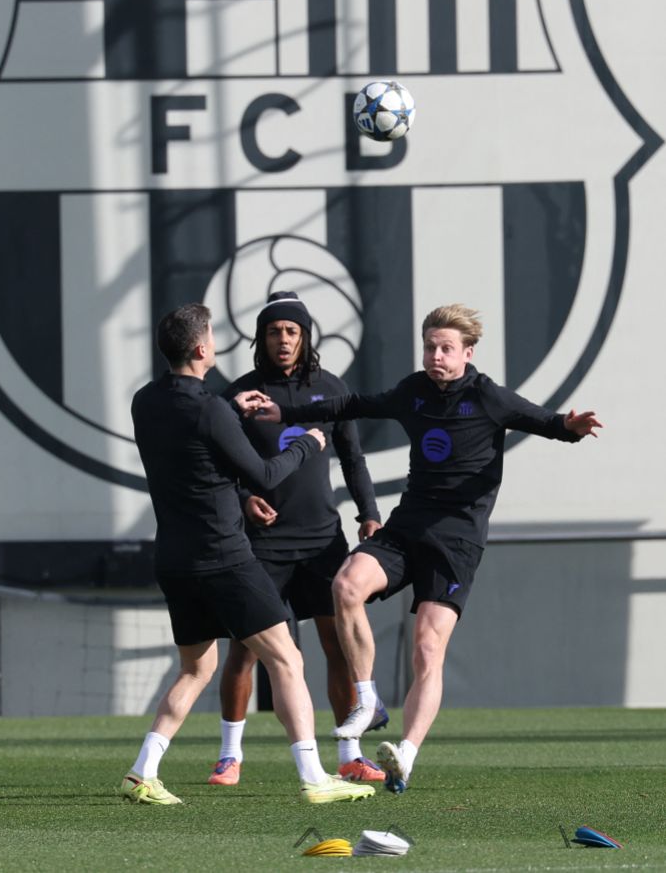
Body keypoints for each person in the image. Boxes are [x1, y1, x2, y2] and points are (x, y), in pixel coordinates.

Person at [236, 303, 602, 794]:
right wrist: (287, 412)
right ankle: (366, 698)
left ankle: (405, 753)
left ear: (467, 352)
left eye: (446, 348)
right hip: (408, 527)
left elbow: (542, 419)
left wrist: (569, 427)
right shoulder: (414, 392)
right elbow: (351, 406)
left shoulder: (487, 395)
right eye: (430, 346)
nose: (435, 355)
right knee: (345, 585)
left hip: (456, 541)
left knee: (428, 649)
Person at [122, 302, 375, 806]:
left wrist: (230, 415)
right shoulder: (214, 406)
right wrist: (305, 443)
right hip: (224, 557)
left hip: (173, 559)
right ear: (200, 348)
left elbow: (194, 436)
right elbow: (261, 476)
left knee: (195, 669)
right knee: (286, 659)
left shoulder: (145, 401)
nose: (216, 343)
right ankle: (313, 777)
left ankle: (142, 770)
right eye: (212, 336)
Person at [208, 291, 385, 789]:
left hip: (321, 540)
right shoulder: (239, 395)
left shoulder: (330, 390)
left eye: (292, 331)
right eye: (274, 331)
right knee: (246, 651)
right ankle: (229, 755)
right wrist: (244, 499)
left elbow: (353, 458)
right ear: (260, 339)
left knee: (337, 646)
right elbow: (219, 465)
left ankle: (349, 752)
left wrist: (369, 514)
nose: (283, 340)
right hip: (261, 545)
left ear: (305, 337)